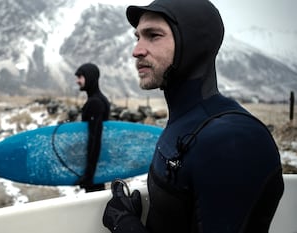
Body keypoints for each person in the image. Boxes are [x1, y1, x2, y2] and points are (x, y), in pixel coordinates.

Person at [102, 0, 284, 232]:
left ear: (193, 44)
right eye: (137, 37)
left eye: (153, 35)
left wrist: (124, 224)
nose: (136, 50)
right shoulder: (188, 123)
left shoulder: (233, 140)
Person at [74, 63, 110, 192]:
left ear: (89, 77)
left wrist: (89, 175)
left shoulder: (95, 102)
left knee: (95, 204)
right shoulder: (99, 99)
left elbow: (95, 139)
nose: (77, 81)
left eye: (80, 77)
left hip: (94, 168)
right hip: (97, 166)